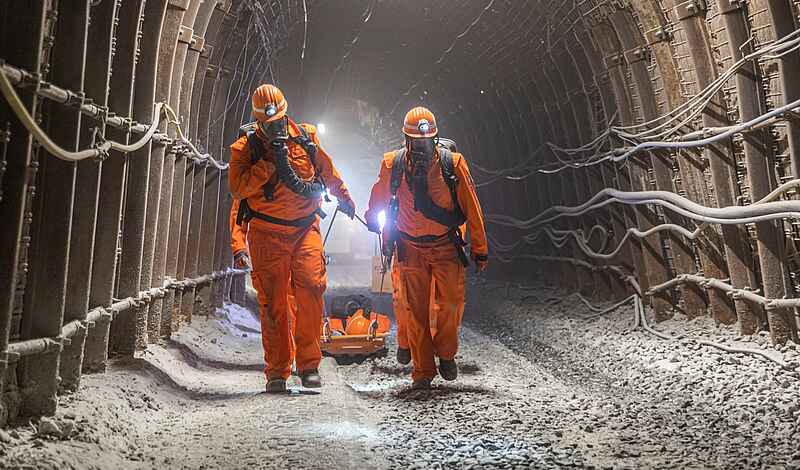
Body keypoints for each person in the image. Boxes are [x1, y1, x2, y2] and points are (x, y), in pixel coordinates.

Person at [229, 84, 356, 393]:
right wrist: (269, 164)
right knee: (273, 303)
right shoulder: (245, 150)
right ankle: (277, 371)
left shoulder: (307, 138)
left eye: (279, 119)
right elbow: (238, 191)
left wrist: (344, 197)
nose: (275, 127)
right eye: (267, 123)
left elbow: (327, 170)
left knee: (312, 288)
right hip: (266, 233)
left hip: (304, 228)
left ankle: (309, 365)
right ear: (258, 121)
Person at [365, 106, 488, 389]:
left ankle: (446, 354)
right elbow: (379, 198)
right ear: (406, 141)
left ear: (435, 139)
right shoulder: (392, 165)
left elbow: (472, 208)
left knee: (451, 305)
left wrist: (480, 248)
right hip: (410, 249)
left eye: (426, 141)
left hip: (445, 247)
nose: (422, 147)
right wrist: (373, 218)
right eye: (416, 141)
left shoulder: (452, 164)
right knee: (415, 311)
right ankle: (422, 371)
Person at [229, 199, 297, 371]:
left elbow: (324, 176)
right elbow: (239, 212)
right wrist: (239, 247)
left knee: (299, 303)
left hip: (297, 242)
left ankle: (298, 357)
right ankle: (278, 366)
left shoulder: (306, 173)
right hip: (266, 247)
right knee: (273, 306)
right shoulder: (254, 175)